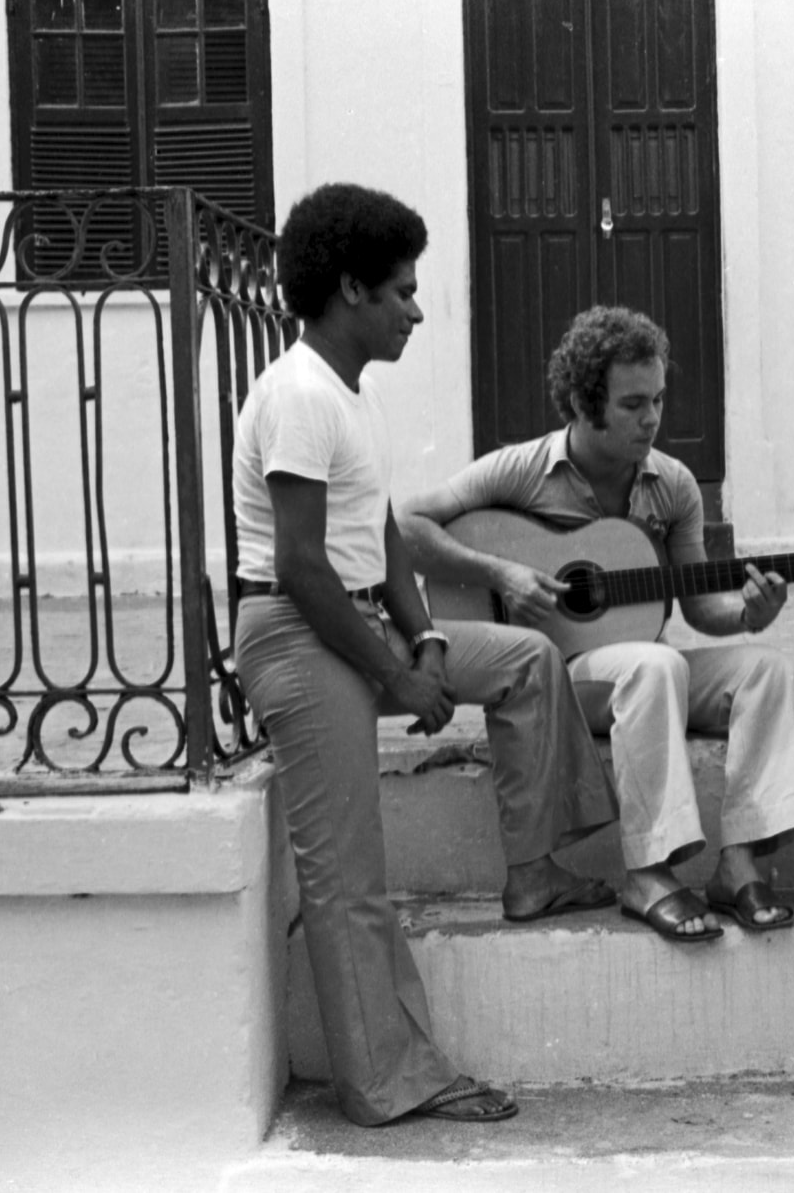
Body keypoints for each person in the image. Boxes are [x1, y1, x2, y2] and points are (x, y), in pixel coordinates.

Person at [231, 183, 619, 1127]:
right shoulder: (297, 396)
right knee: (347, 875)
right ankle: (386, 1080)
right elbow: (300, 566)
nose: (414, 309)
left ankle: (535, 871)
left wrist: (432, 638)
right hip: (299, 631)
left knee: (527, 660)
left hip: (362, 624)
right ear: (352, 288)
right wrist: (394, 671)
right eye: (402, 290)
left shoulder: (349, 398)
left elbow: (385, 542)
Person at [398, 305, 794, 944]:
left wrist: (749, 613)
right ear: (580, 401)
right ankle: (649, 873)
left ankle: (740, 863)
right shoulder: (524, 469)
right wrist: (501, 574)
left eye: (657, 399)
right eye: (632, 405)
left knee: (766, 669)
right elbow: (408, 528)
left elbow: (700, 608)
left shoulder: (673, 485)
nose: (652, 418)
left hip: (634, 672)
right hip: (563, 675)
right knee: (655, 664)